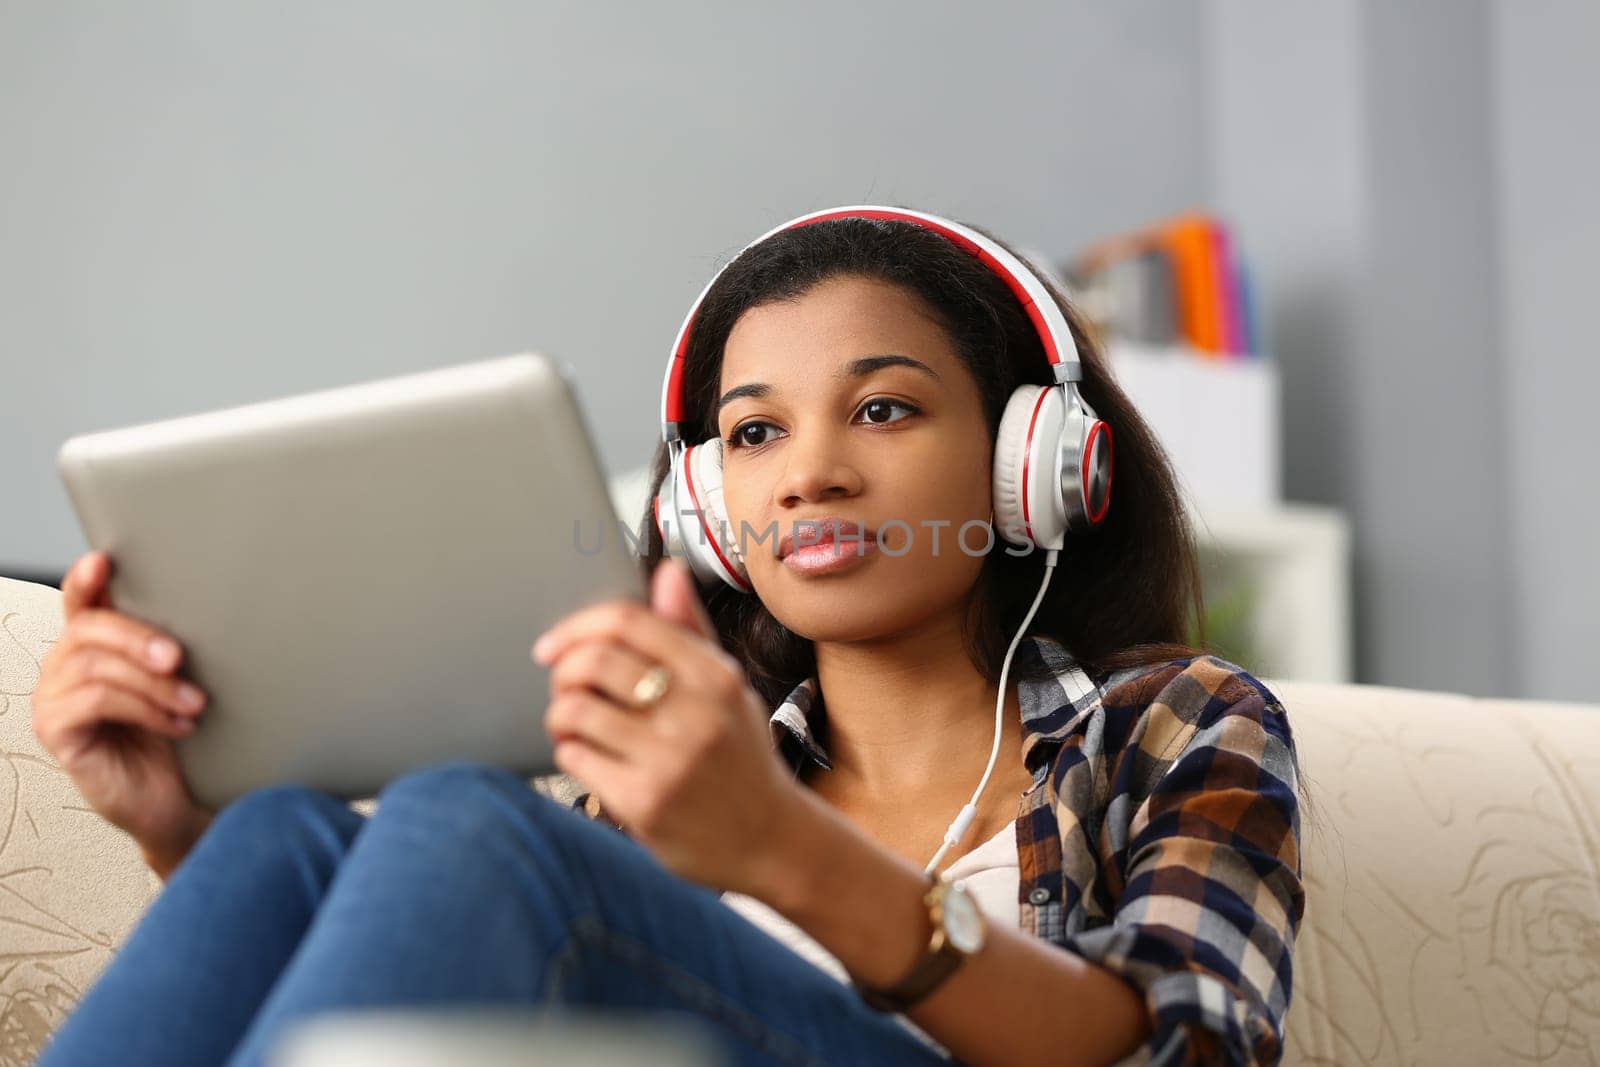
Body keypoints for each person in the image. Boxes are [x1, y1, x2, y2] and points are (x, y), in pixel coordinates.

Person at [31, 207, 1306, 1067]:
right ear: (704, 507)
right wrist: (173, 827)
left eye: (881, 408)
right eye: (751, 432)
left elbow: (1187, 1046)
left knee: (468, 816)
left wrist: (781, 850)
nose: (807, 473)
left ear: (1035, 460)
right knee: (275, 829)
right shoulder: (668, 779)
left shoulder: (1176, 718)